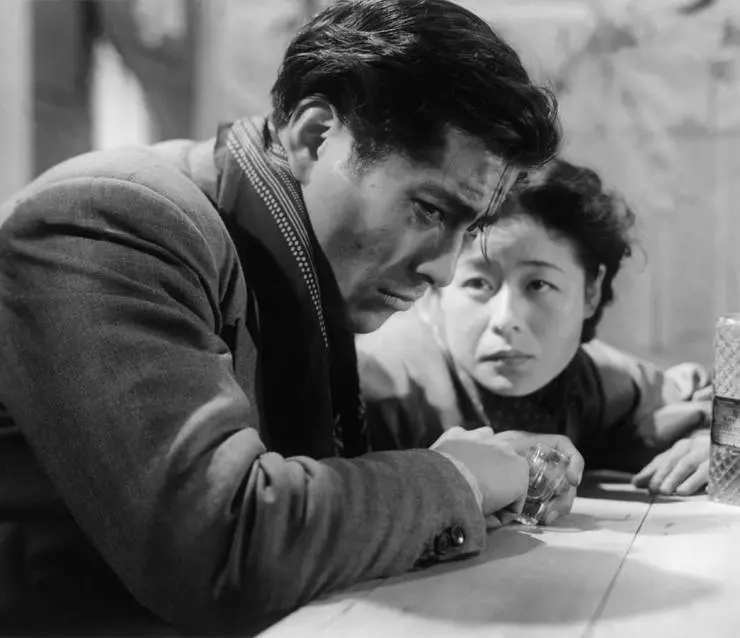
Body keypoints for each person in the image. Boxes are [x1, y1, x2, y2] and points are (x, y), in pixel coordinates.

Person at [0, 0, 562, 633]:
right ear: (316, 137)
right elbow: (218, 546)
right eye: (430, 210)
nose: (444, 270)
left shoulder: (294, 255)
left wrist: (502, 457)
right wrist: (457, 478)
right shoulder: (113, 218)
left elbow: (355, 442)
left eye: (470, 229)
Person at [358, 158, 712, 524]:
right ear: (436, 289)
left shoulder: (592, 378)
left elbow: (701, 398)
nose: (506, 320)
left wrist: (713, 443)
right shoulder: (375, 384)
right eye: (478, 283)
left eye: (538, 285)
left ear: (590, 292)